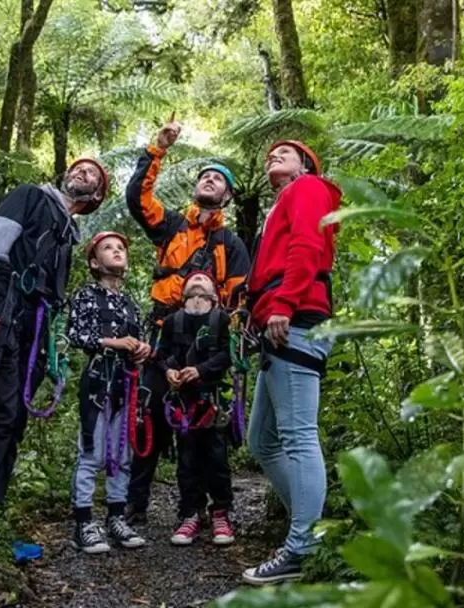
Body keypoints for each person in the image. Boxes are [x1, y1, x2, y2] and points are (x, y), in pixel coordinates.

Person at [0, 158, 109, 515]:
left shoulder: (65, 233)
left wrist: (48, 353)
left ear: (97, 195)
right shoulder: (29, 196)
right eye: (78, 167)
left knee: (14, 420)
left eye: (91, 173)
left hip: (29, 332)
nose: (80, 172)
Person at [124, 116, 251, 527]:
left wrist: (223, 352)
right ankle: (135, 509)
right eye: (205, 176)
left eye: (219, 179)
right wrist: (157, 149)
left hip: (205, 344)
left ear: (228, 196)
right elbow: (137, 199)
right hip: (163, 338)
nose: (210, 180)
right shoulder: (173, 227)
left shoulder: (231, 245)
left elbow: (239, 298)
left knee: (203, 432)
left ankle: (204, 511)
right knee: (151, 419)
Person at [241, 141, 341, 585]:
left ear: (307, 164)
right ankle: (310, 531)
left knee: (298, 437)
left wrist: (283, 300)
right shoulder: (281, 203)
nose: (273, 156)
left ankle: (303, 546)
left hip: (296, 318)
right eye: (270, 154)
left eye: (286, 151)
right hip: (278, 323)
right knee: (261, 440)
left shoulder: (308, 188)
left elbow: (307, 244)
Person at [66, 231, 151, 553]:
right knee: (92, 453)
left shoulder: (130, 302)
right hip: (98, 382)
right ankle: (84, 522)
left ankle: (116, 517)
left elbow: (140, 339)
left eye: (120, 247)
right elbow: (76, 333)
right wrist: (112, 342)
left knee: (123, 455)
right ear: (93, 262)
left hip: (126, 385)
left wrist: (141, 349)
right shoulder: (86, 294)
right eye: (108, 248)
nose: (117, 251)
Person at [155, 271, 236, 546]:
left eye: (204, 281)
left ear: (214, 294)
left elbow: (229, 354)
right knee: (187, 460)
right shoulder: (172, 322)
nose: (198, 281)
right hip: (183, 405)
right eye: (193, 281)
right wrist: (169, 372)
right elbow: (162, 354)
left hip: (213, 400)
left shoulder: (222, 320)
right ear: (183, 293)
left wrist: (201, 370)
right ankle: (190, 512)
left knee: (217, 458)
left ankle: (221, 513)